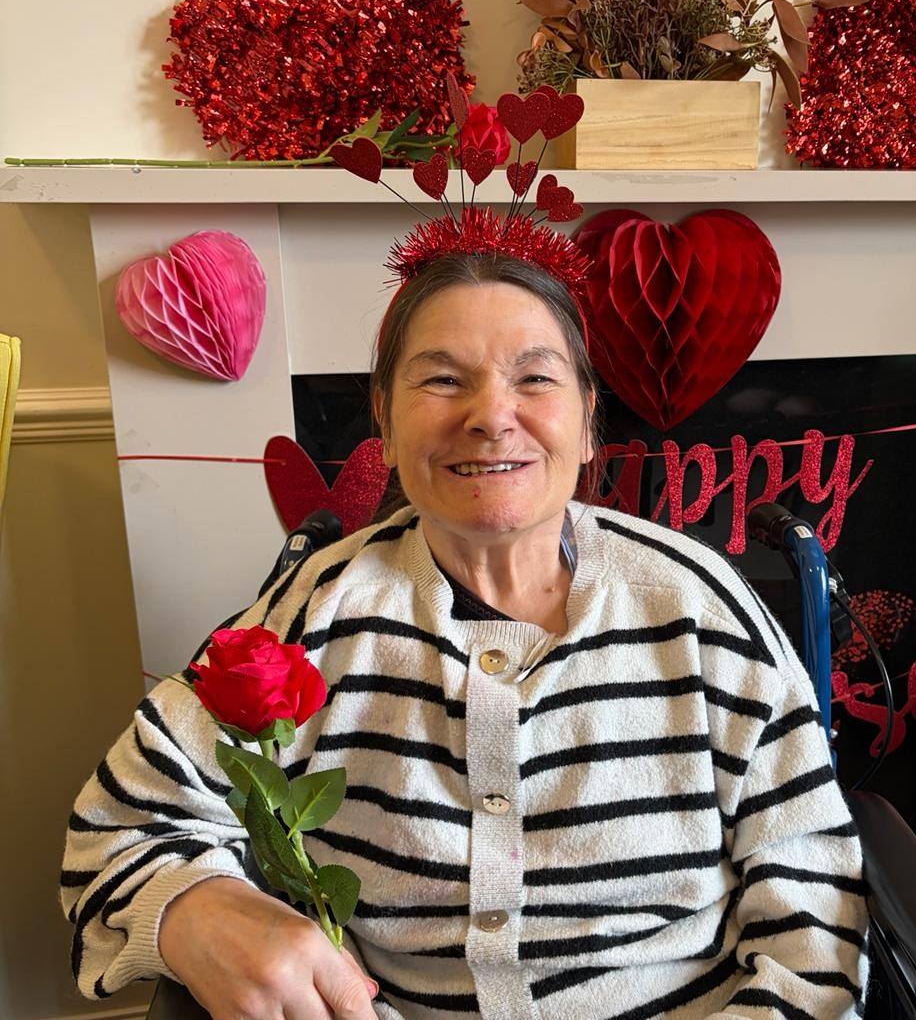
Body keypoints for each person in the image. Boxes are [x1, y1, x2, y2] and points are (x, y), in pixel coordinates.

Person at [62, 248, 870, 1019]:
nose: (491, 416)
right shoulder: (309, 616)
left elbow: (810, 905)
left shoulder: (702, 613)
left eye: (535, 378)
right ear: (381, 417)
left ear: (589, 421)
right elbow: (118, 829)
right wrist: (200, 910)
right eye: (443, 379)